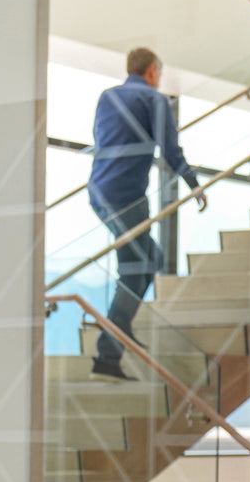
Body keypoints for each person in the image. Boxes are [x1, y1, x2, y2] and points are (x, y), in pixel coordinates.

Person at [86, 47, 207, 381]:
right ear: (153, 70)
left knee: (149, 258)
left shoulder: (107, 97)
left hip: (98, 192)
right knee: (137, 267)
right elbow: (170, 149)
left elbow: (100, 139)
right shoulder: (154, 101)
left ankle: (119, 331)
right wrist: (193, 183)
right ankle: (108, 352)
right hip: (127, 197)